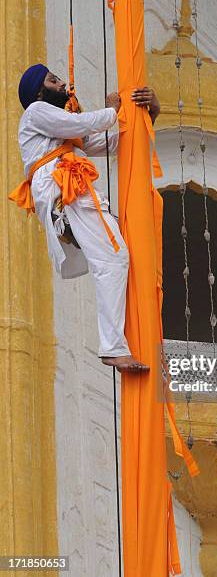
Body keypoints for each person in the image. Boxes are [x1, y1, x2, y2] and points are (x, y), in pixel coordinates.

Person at [12, 63, 161, 372]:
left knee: (116, 258)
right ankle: (113, 347)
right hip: (65, 190)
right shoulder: (36, 112)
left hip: (66, 191)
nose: (63, 83)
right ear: (40, 91)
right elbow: (84, 124)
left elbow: (107, 144)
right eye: (54, 80)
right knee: (115, 258)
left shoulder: (58, 130)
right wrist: (113, 109)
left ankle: (114, 346)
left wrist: (145, 115)